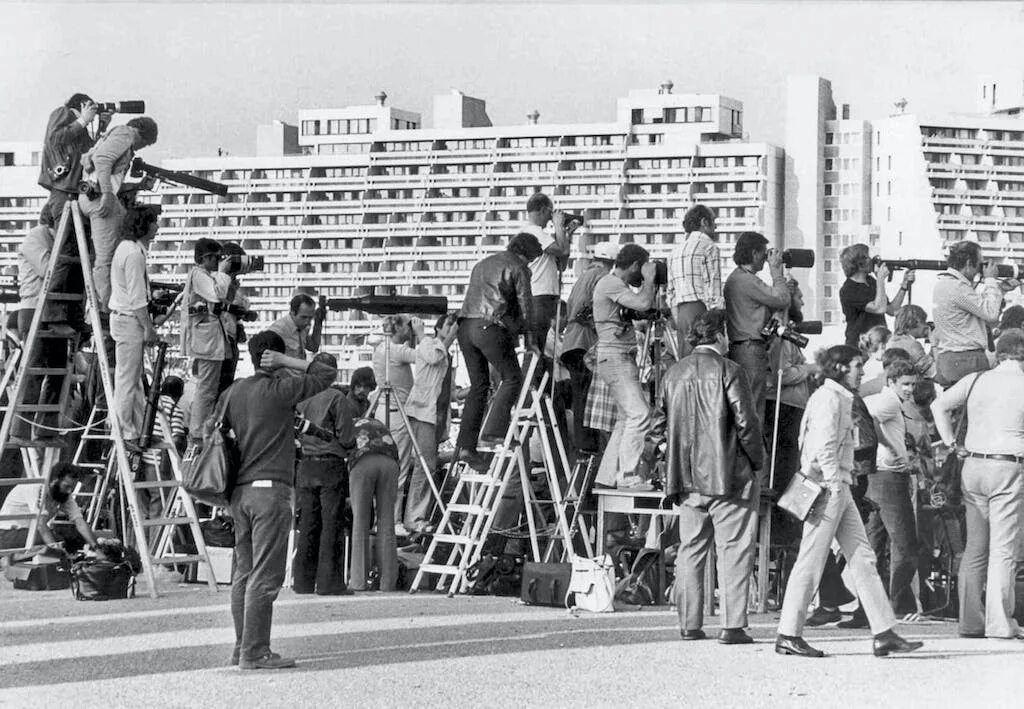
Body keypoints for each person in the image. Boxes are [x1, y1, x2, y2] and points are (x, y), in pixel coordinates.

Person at [776, 345, 923, 658]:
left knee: (863, 558)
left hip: (836, 486)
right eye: (857, 366)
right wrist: (834, 484)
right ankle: (788, 632)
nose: (862, 372)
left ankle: (884, 631)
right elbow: (822, 447)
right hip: (830, 487)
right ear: (841, 368)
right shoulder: (830, 398)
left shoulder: (834, 396)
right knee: (812, 560)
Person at [221, 330, 337, 670]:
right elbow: (326, 371)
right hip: (270, 492)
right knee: (265, 576)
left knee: (243, 573)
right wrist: (289, 360)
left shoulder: (234, 392)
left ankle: (241, 646)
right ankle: (255, 653)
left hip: (238, 493)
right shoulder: (280, 389)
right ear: (273, 356)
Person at [650, 309, 765, 643]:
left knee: (691, 550)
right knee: (734, 549)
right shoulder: (731, 371)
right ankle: (732, 625)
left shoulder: (673, 373)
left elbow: (658, 427)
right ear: (720, 335)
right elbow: (746, 424)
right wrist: (757, 463)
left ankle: (689, 623)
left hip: (686, 481)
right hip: (729, 476)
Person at [932, 328, 1024, 639]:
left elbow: (938, 406)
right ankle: (1000, 623)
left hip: (972, 464)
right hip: (1008, 466)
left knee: (974, 548)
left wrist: (948, 442)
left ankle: (970, 621)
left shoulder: (976, 379)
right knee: (1003, 548)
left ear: (999, 354)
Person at [456, 232, 542, 470]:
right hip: (490, 326)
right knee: (512, 378)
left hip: (465, 326)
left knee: (479, 386)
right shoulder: (518, 266)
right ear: (526, 254)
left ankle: (466, 446)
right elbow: (526, 304)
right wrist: (531, 338)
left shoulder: (482, 264)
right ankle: (494, 431)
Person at [591, 244, 658, 490]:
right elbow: (643, 303)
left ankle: (608, 476)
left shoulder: (617, 286)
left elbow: (642, 310)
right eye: (641, 270)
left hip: (620, 355)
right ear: (635, 265)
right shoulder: (610, 283)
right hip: (615, 356)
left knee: (625, 419)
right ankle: (628, 476)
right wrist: (649, 280)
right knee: (640, 414)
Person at [78, 116, 159, 313]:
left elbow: (112, 180)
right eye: (144, 143)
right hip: (98, 198)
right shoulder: (125, 134)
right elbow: (102, 159)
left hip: (99, 196)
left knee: (119, 247)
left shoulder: (120, 136)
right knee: (106, 258)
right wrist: (106, 194)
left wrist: (137, 186)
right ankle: (105, 308)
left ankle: (112, 300)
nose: (140, 148)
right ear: (140, 133)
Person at [864, 359, 923, 618]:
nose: (910, 389)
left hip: (876, 477)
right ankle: (899, 606)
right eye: (905, 384)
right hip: (889, 477)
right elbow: (870, 420)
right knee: (906, 545)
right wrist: (888, 446)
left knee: (874, 545)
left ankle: (868, 610)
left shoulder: (884, 400)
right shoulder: (888, 401)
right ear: (891, 383)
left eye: (913, 384)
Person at [293, 352, 356, 596]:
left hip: (306, 465)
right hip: (330, 464)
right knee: (332, 524)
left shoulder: (301, 397)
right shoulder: (336, 398)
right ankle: (330, 583)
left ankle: (303, 582)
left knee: (308, 523)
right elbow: (347, 436)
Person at [765, 278, 818, 553]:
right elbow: (779, 373)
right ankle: (780, 532)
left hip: (793, 408)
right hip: (782, 408)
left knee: (791, 471)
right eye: (799, 298)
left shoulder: (789, 336)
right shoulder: (779, 335)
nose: (803, 303)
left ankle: (786, 530)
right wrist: (810, 369)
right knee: (783, 472)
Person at [11, 223, 72, 445]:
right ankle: (21, 430)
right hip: (34, 308)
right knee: (34, 370)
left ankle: (47, 429)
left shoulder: (56, 239)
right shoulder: (35, 238)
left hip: (54, 311)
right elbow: (49, 270)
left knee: (58, 371)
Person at [108, 204, 162, 450]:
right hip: (129, 319)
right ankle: (125, 430)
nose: (157, 226)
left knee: (133, 379)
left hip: (125, 317)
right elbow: (136, 298)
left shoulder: (127, 248)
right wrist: (149, 328)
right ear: (144, 225)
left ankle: (138, 430)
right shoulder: (133, 254)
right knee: (128, 379)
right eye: (154, 222)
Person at [723, 231, 790, 420]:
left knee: (749, 405)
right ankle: (754, 449)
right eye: (764, 253)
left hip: (744, 347)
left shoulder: (738, 278)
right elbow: (782, 299)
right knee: (753, 410)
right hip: (750, 349)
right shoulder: (746, 280)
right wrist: (777, 272)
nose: (766, 259)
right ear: (754, 253)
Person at [403, 314, 458, 534]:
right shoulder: (428, 344)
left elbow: (449, 391)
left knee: (429, 465)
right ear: (438, 328)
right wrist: (421, 333)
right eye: (448, 324)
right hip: (423, 413)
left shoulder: (447, 355)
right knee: (425, 465)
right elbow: (433, 356)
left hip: (435, 414)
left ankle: (418, 515)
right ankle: (414, 517)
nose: (452, 328)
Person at [561, 241, 617, 454]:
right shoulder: (602, 277)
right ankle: (588, 446)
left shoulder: (583, 277)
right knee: (586, 398)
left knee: (579, 397)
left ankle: (584, 445)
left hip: (572, 342)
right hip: (584, 344)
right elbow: (585, 310)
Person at [931, 240, 1006, 387]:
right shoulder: (957, 287)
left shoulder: (944, 284)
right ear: (968, 263)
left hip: (948, 358)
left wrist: (1001, 289)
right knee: (975, 407)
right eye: (979, 264)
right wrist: (991, 279)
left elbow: (976, 307)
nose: (981, 269)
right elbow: (990, 314)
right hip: (967, 359)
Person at [181, 238, 232, 444]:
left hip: (209, 337)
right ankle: (198, 430)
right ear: (206, 258)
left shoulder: (202, 276)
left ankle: (201, 428)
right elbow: (218, 295)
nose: (220, 262)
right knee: (206, 388)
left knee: (209, 387)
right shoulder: (199, 276)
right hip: (206, 339)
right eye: (217, 258)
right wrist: (223, 272)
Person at [371, 314, 417, 536]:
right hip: (397, 414)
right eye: (407, 326)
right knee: (398, 470)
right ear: (398, 327)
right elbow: (426, 357)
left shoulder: (382, 348)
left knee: (383, 469)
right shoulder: (396, 351)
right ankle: (393, 521)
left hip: (383, 411)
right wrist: (421, 333)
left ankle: (382, 519)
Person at [518, 192, 579, 362]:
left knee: (541, 347)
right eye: (550, 214)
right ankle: (529, 385)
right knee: (536, 348)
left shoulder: (541, 236)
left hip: (544, 295)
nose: (550, 219)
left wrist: (567, 235)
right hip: (538, 295)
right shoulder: (533, 232)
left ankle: (535, 384)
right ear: (544, 210)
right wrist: (559, 227)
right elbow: (562, 250)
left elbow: (561, 264)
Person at [347, 415, 400, 592]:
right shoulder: (376, 422)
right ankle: (388, 582)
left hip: (363, 462)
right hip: (390, 462)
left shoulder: (346, 423)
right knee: (387, 522)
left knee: (360, 521)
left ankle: (358, 581)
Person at [38, 93, 108, 228]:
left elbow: (91, 154)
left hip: (77, 190)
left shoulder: (80, 129)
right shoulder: (63, 113)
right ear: (82, 106)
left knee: (80, 243)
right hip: (63, 190)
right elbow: (54, 138)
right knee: (67, 242)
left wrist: (102, 126)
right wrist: (83, 120)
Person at [0, 462, 98, 554]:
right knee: (57, 541)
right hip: (6, 534)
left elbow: (80, 523)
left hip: (29, 533)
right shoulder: (36, 487)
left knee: (76, 538)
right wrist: (57, 551)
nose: (69, 492)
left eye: (71, 488)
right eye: (66, 486)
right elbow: (41, 525)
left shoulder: (64, 493)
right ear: (54, 480)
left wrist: (97, 549)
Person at [669, 204, 723, 357]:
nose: (716, 225)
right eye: (713, 220)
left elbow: (671, 294)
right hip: (703, 311)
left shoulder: (675, 251)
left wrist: (677, 318)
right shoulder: (709, 247)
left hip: (682, 313)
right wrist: (717, 319)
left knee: (686, 362)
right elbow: (714, 287)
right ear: (704, 222)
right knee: (709, 361)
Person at [838, 243, 914, 348]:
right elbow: (879, 308)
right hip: (860, 346)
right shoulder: (848, 289)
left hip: (879, 343)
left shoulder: (871, 282)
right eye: (868, 257)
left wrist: (904, 286)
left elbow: (892, 309)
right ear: (859, 264)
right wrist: (880, 279)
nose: (872, 260)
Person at [139, 375, 187, 533]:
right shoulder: (175, 409)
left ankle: (138, 547)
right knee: (158, 510)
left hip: (139, 462)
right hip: (158, 464)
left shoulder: (149, 403)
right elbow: (177, 438)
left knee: (141, 510)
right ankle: (152, 550)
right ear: (179, 394)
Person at [217, 242, 254, 395]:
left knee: (226, 387)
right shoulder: (215, 280)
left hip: (230, 339)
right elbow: (218, 303)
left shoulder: (230, 284)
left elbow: (230, 302)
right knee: (218, 387)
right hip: (218, 340)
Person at [269, 293, 323, 361]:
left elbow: (314, 347)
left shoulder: (302, 328)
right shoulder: (278, 330)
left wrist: (318, 322)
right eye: (304, 317)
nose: (308, 322)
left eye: (310, 318)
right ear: (293, 313)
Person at [888, 304, 935, 379]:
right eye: (924, 322)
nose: (925, 326)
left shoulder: (893, 340)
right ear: (914, 323)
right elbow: (931, 371)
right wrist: (934, 343)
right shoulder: (912, 345)